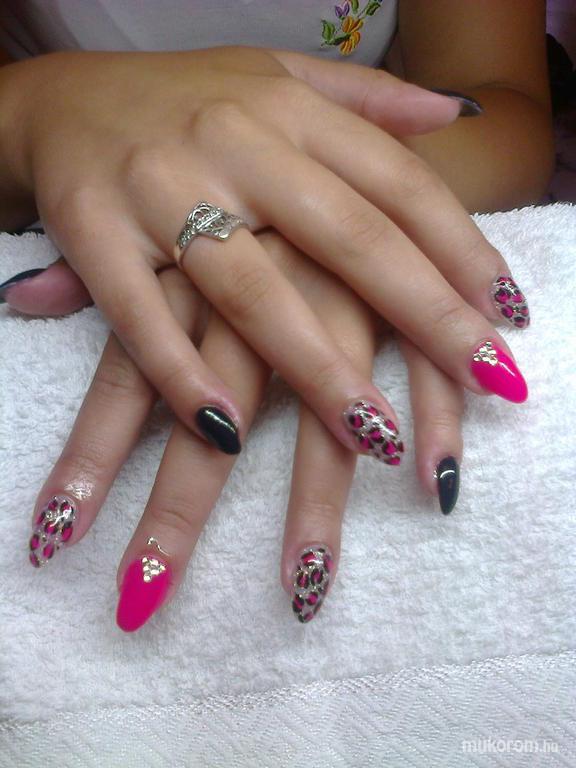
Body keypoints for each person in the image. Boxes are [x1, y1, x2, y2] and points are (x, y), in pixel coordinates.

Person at [0, 0, 553, 629]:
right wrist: (38, 107)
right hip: (86, 194)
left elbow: (504, 101)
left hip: (354, 165)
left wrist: (323, 215)